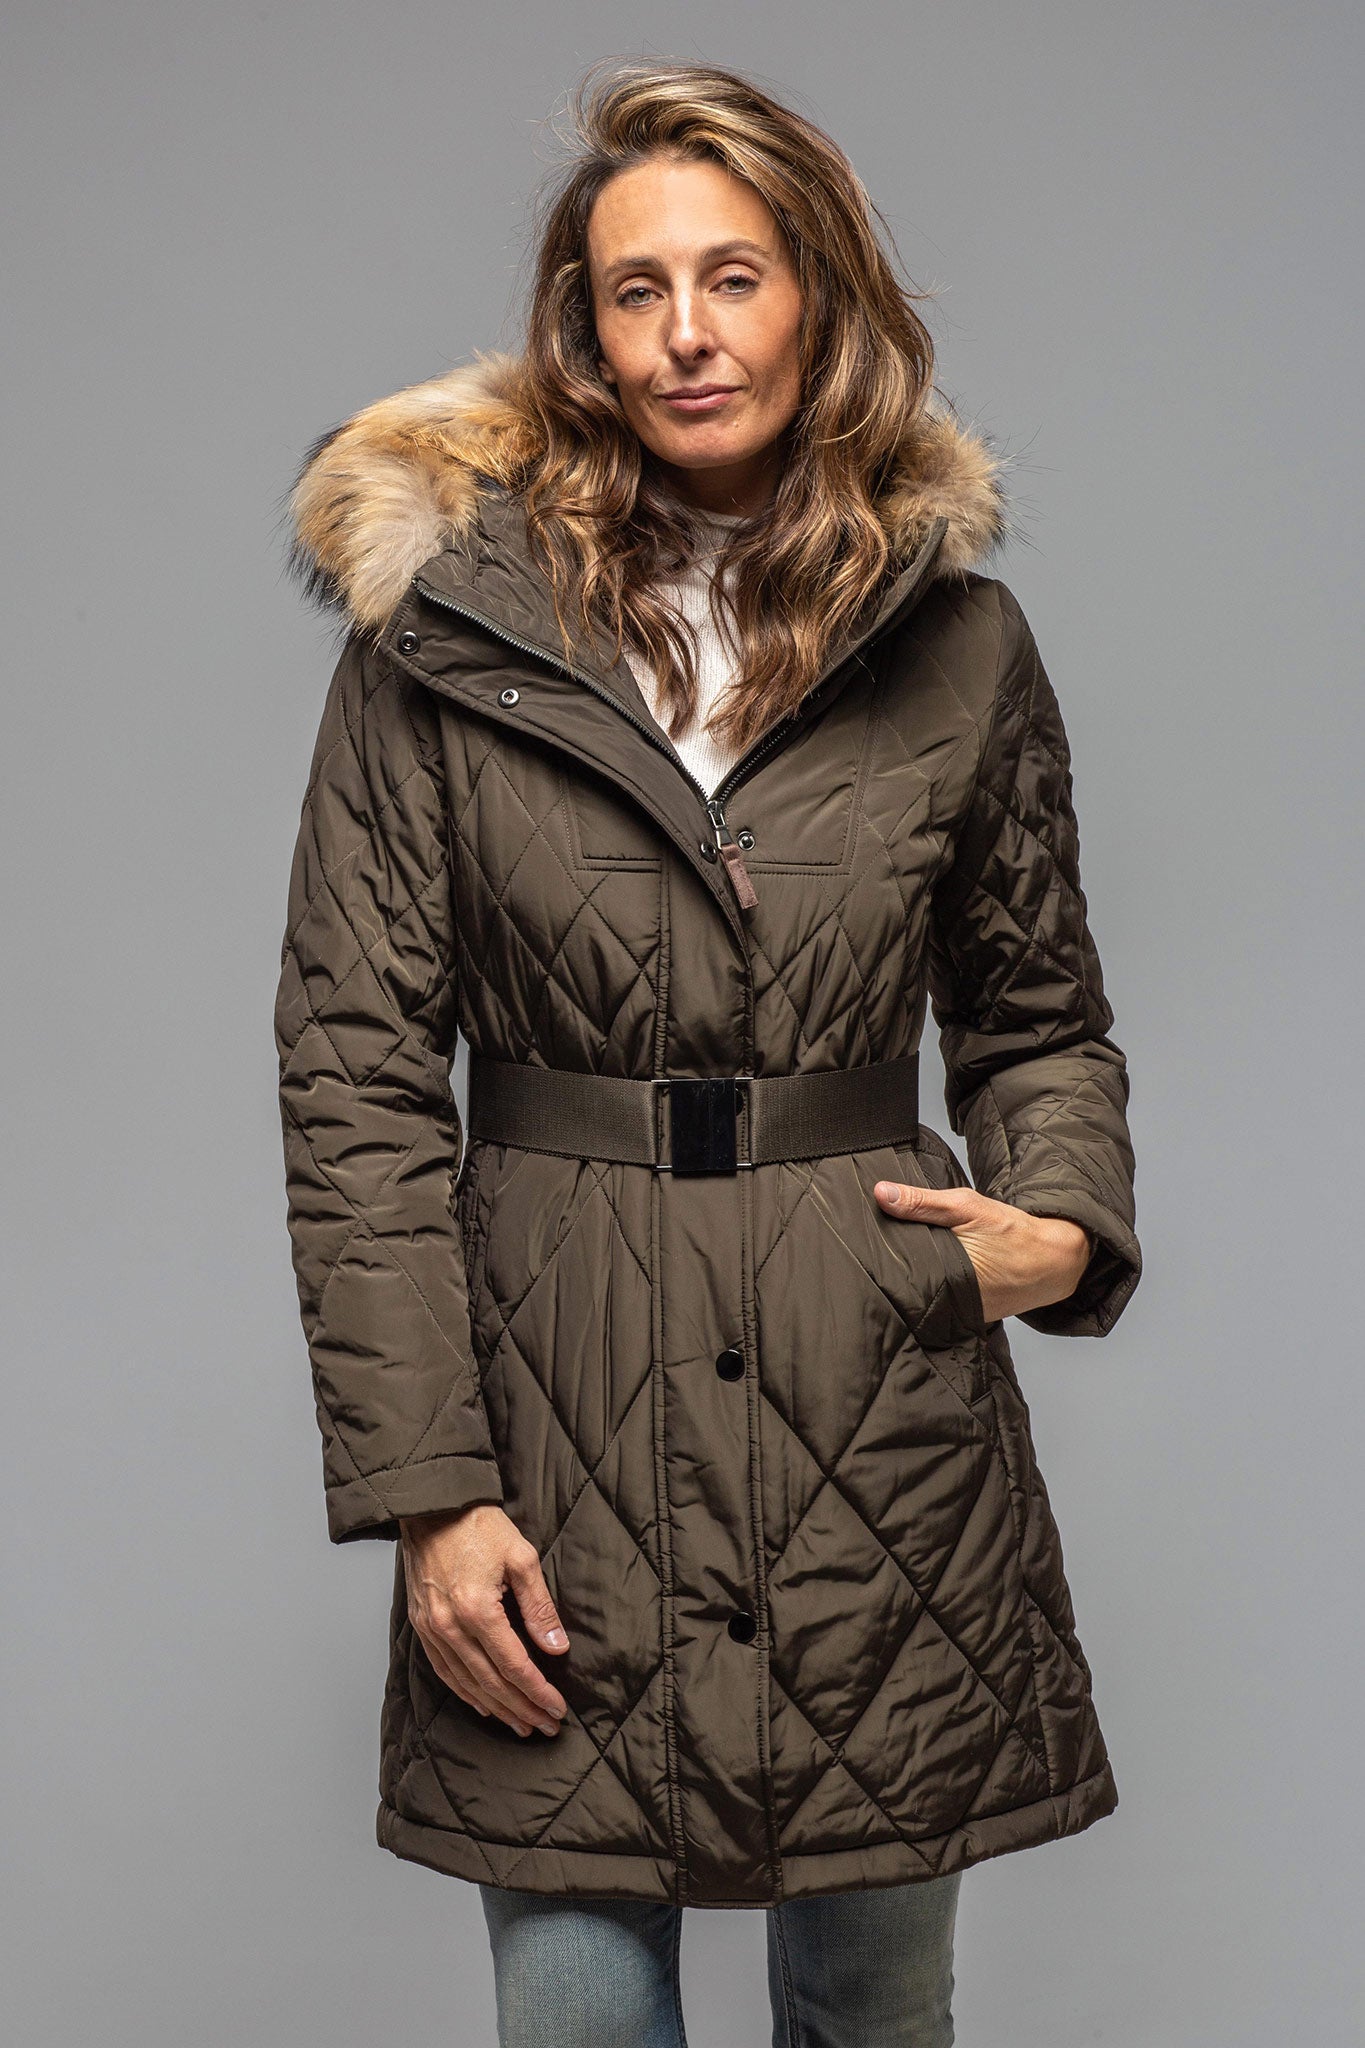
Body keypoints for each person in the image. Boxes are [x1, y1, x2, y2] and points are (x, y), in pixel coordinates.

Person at [274, 56, 1142, 2048]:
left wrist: (1059, 1223)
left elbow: (1037, 1014)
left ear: (817, 298)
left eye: (732, 276)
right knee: (577, 2019)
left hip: (873, 1402)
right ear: (581, 332)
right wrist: (427, 1490)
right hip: (552, 1404)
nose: (685, 331)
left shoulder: (956, 643)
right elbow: (351, 1078)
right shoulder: (442, 641)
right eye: (635, 288)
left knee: (873, 2016)